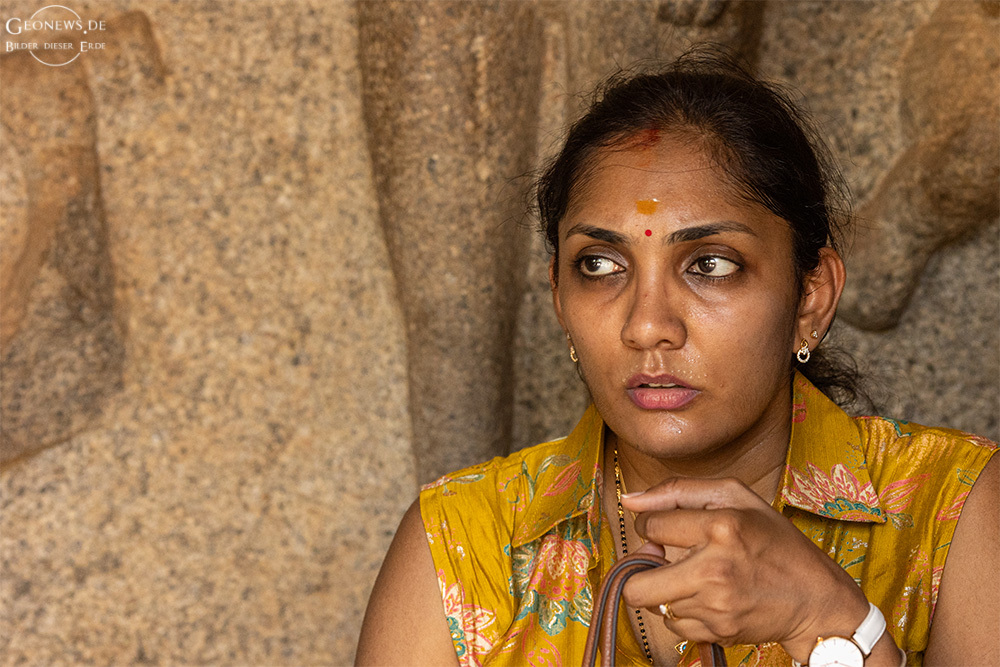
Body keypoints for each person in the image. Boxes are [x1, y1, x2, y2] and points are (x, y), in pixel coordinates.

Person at [355, 52, 998, 667]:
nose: (647, 327)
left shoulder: (952, 512)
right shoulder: (463, 545)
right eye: (600, 266)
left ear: (811, 297)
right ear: (558, 298)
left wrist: (829, 624)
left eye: (710, 265)